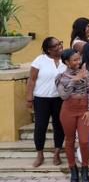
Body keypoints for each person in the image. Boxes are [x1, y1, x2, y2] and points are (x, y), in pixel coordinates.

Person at [55, 49, 89, 182]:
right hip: (68, 110)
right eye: (75, 60)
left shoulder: (86, 73)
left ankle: (84, 168)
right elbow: (64, 96)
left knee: (84, 141)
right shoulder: (60, 77)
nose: (78, 62)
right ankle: (73, 168)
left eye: (79, 59)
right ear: (66, 62)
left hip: (83, 109)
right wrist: (74, 81)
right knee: (70, 140)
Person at [26, 37, 66, 168]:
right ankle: (40, 154)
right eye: (56, 45)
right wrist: (29, 97)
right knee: (40, 127)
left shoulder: (64, 60)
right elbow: (31, 79)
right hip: (41, 99)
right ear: (49, 50)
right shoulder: (40, 60)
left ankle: (57, 153)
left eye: (60, 43)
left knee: (59, 126)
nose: (60, 46)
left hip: (59, 99)